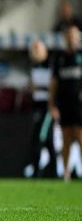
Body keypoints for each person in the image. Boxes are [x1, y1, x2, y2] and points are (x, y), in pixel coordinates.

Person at [48, 25, 82, 182]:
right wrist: (52, 104)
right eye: (69, 36)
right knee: (66, 137)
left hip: (79, 105)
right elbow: (54, 83)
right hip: (64, 104)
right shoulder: (59, 58)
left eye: (74, 36)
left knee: (80, 136)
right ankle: (65, 172)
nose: (72, 39)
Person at [26, 39, 57, 178]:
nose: (35, 52)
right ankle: (53, 172)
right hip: (36, 106)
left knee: (40, 139)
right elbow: (32, 86)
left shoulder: (51, 65)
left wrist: (52, 105)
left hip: (47, 107)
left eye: (38, 49)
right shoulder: (33, 66)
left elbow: (53, 87)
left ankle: (38, 171)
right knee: (48, 141)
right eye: (34, 49)